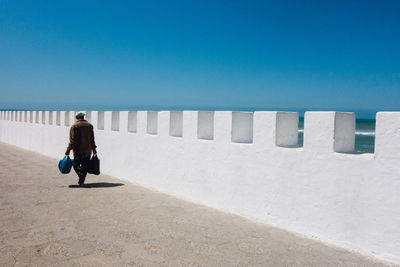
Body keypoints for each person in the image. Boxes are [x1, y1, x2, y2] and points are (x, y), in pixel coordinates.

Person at [65, 112, 97, 186]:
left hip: (78, 150)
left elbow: (72, 141)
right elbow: (92, 139)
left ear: (76, 117)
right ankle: (81, 181)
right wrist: (94, 149)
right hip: (88, 150)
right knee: (85, 166)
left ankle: (80, 174)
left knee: (75, 164)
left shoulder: (74, 126)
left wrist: (68, 150)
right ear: (83, 117)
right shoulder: (90, 126)